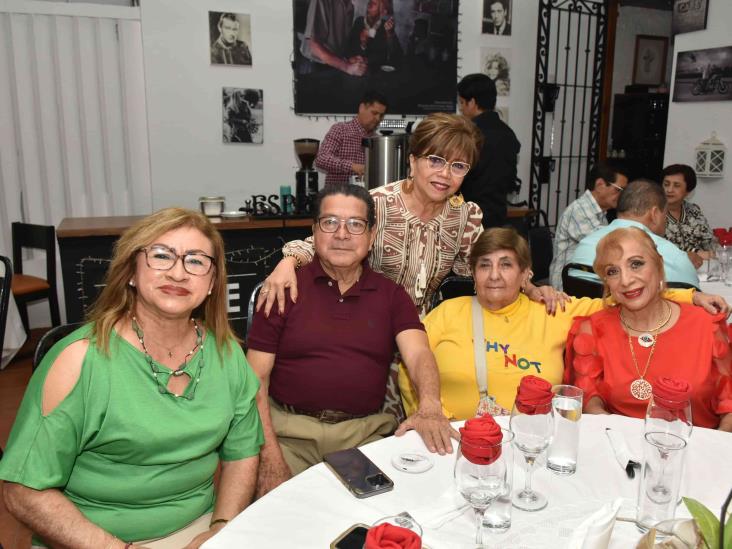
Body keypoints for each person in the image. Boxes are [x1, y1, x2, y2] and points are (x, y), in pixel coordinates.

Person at [0, 208, 263, 548]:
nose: (178, 273)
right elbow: (23, 491)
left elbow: (242, 454)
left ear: (212, 283)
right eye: (161, 256)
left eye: (196, 261)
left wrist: (220, 529)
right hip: (92, 537)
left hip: (199, 530)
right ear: (132, 273)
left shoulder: (228, 355)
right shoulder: (79, 360)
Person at [247, 185, 455, 497]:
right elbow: (255, 380)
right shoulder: (282, 289)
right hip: (289, 435)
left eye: (355, 224)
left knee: (384, 522)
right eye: (330, 222)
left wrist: (429, 405)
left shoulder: (391, 296)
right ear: (314, 232)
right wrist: (270, 457)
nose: (342, 234)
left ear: (371, 236)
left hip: (365, 437)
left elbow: (419, 354)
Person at [398, 228, 723, 421]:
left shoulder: (554, 310)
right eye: (484, 265)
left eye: (506, 264)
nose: (494, 275)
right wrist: (431, 415)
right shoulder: (446, 312)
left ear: (526, 274)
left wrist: (688, 297)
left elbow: (624, 295)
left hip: (526, 444)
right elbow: (408, 367)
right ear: (474, 274)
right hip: (449, 436)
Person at [566, 227, 732, 431]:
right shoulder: (592, 330)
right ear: (606, 282)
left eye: (636, 264)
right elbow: (589, 399)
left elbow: (729, 405)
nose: (626, 280)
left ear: (658, 264)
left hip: (695, 450)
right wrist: (621, 441)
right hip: (622, 451)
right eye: (613, 271)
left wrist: (709, 455)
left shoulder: (706, 326)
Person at [570, 179, 699, 288]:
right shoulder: (671, 256)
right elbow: (693, 298)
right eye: (665, 216)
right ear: (654, 214)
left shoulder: (586, 243)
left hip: (586, 314)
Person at [549, 162, 629, 289]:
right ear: (600, 185)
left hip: (585, 277)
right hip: (566, 285)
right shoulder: (579, 210)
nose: (622, 196)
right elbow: (607, 245)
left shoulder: (600, 212)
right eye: (619, 190)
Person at [457, 74, 520, 228]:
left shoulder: (469, 135)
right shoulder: (509, 134)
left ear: (472, 102)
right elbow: (511, 180)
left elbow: (458, 178)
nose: (460, 108)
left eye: (462, 102)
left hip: (468, 218)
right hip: (497, 217)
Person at [315, 90, 388, 185]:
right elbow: (321, 159)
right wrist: (352, 166)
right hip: (338, 196)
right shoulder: (340, 130)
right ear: (361, 108)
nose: (378, 119)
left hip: (365, 198)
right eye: (374, 113)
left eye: (381, 115)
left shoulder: (377, 139)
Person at [662, 163, 715, 268]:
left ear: (688, 191)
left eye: (676, 185)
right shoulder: (653, 212)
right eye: (666, 184)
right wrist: (693, 252)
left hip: (698, 270)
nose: (669, 190)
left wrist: (712, 252)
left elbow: (709, 241)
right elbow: (653, 248)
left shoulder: (694, 211)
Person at [300, 0, 367, 76]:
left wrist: (349, 60)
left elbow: (337, 43)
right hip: (314, 67)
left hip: (334, 66)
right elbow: (314, 45)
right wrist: (347, 67)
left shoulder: (350, 6)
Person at [346, 0, 403, 72]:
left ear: (383, 12)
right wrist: (362, 44)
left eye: (374, 4)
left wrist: (390, 34)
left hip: (376, 74)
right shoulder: (359, 22)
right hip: (356, 71)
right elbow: (348, 47)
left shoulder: (385, 27)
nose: (369, 5)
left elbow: (393, 55)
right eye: (370, 2)